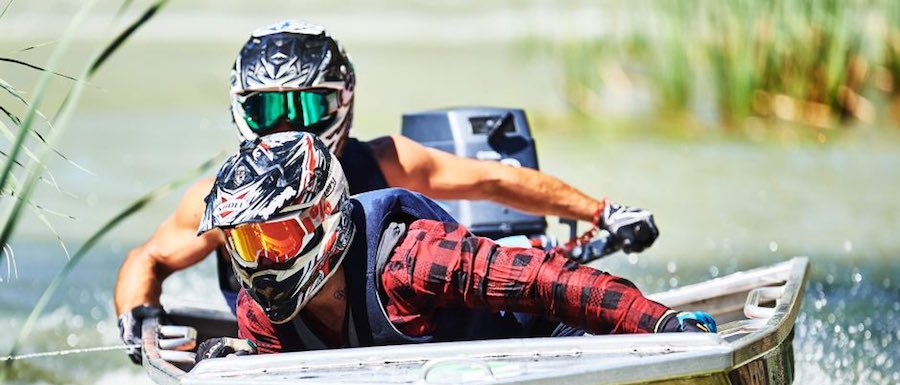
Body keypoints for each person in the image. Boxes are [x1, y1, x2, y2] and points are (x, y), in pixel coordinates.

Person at [115, 20, 661, 363]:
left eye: (305, 107)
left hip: (409, 331)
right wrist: (141, 322)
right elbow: (150, 258)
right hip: (289, 348)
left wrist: (603, 211)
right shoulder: (224, 200)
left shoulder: (394, 202)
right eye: (269, 109)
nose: (287, 127)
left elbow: (493, 179)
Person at [194, 132, 714, 359]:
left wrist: (662, 323)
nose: (262, 260)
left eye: (278, 234)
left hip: (544, 347)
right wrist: (238, 362)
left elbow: (550, 280)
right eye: (245, 239)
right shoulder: (260, 314)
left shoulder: (412, 259)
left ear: (324, 215)